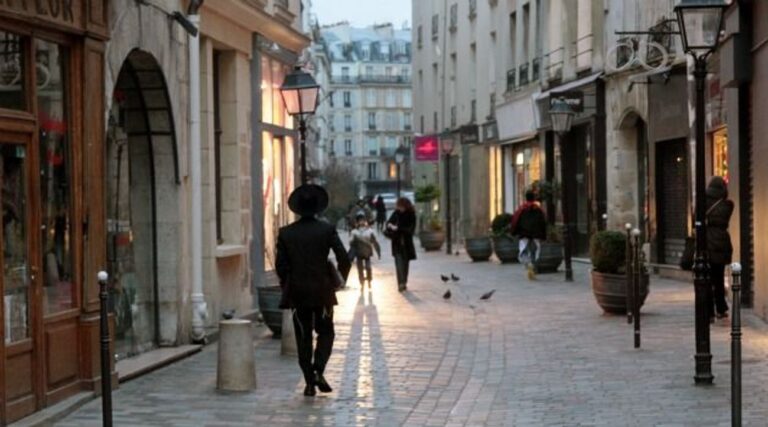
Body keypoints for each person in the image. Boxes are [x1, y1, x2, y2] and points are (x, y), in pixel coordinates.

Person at [276, 184, 351, 397]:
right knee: (326, 332)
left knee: (303, 336)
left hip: (298, 293)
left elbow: (281, 266)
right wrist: (340, 280)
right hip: (323, 292)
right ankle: (318, 369)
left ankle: (309, 382)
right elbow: (344, 258)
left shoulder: (286, 233)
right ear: (318, 208)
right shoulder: (326, 230)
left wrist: (287, 283)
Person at [705, 176, 734, 320]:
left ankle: (709, 311)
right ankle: (721, 308)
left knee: (706, 279)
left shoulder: (703, 202)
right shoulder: (727, 205)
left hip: (706, 242)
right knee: (718, 278)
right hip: (721, 243)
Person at [510, 190, 547, 280]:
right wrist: (543, 235)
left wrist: (514, 232)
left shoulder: (522, 209)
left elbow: (515, 221)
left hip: (524, 234)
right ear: (534, 198)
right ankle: (533, 266)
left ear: (525, 198)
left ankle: (528, 264)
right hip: (536, 234)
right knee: (535, 251)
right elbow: (543, 222)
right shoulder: (538, 209)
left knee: (523, 251)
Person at [386, 197, 416, 292]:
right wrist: (390, 226)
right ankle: (400, 283)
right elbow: (388, 223)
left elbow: (410, 230)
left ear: (405, 206)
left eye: (400, 206)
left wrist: (398, 228)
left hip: (406, 244)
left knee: (405, 265)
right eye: (398, 206)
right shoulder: (396, 213)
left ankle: (404, 282)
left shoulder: (411, 215)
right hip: (397, 243)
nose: (399, 208)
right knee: (398, 264)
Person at [350, 214, 381, 289]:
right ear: (357, 222)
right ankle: (362, 282)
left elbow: (374, 242)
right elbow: (351, 243)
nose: (361, 222)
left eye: (363, 220)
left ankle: (369, 280)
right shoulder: (354, 232)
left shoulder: (370, 231)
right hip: (358, 253)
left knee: (368, 267)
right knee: (360, 269)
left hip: (367, 253)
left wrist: (378, 252)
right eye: (360, 221)